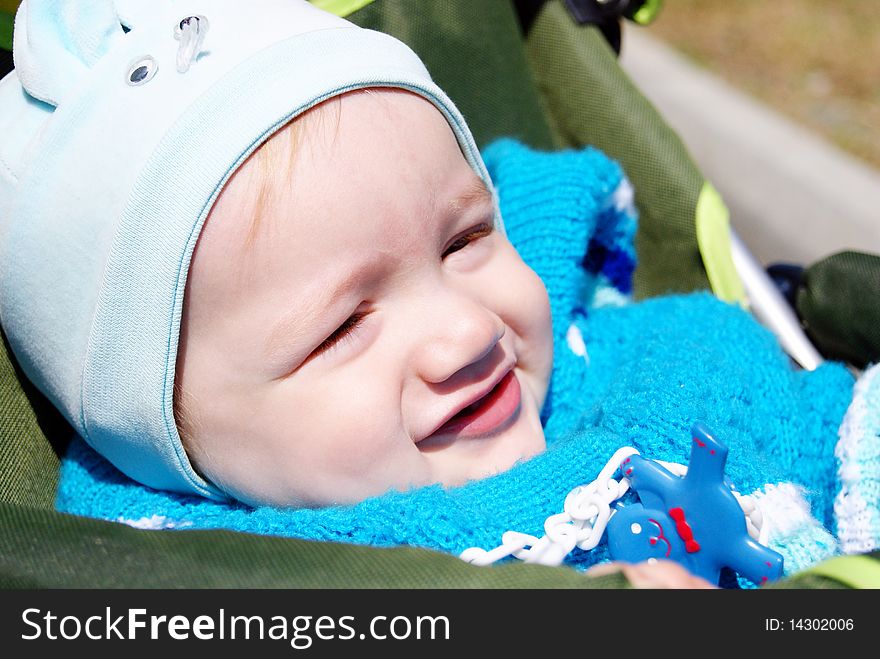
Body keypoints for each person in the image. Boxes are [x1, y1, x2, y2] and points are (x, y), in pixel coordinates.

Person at [1, 0, 869, 588]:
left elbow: (815, 420)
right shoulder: (226, 578)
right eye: (341, 326)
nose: (466, 328)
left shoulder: (640, 364)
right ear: (168, 444)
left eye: (464, 241)